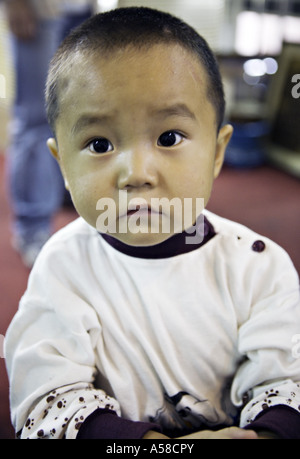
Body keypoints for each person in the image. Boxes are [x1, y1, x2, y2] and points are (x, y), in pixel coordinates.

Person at [4, 7, 300, 439]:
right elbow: (46, 402)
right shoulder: (62, 267)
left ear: (217, 153)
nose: (136, 172)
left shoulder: (258, 266)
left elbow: (288, 382)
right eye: (99, 143)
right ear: (62, 165)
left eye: (168, 138)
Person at [3, 0, 95, 268]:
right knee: (36, 117)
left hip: (80, 9)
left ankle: (64, 197)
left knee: (75, 112)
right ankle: (32, 229)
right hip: (38, 8)